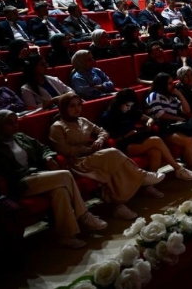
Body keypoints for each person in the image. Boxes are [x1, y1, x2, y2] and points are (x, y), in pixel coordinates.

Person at [0, 110, 108, 248]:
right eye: (9, 123)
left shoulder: (21, 137)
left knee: (60, 191)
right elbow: (6, 172)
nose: (15, 126)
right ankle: (84, 214)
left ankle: (66, 235)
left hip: (37, 177)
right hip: (19, 183)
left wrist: (47, 157)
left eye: (15, 122)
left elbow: (43, 148)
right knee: (65, 175)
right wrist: (32, 170)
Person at [50, 93, 165, 221]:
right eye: (72, 106)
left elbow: (103, 131)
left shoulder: (83, 121)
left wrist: (99, 140)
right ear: (64, 108)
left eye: (78, 105)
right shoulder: (57, 127)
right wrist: (86, 149)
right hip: (76, 161)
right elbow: (62, 150)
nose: (77, 108)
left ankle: (118, 205)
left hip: (92, 156)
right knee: (112, 153)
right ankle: (141, 176)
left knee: (113, 163)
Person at [100, 89, 192, 199]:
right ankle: (178, 169)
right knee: (155, 140)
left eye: (131, 106)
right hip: (123, 146)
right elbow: (110, 140)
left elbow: (150, 118)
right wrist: (127, 135)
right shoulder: (108, 116)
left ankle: (149, 187)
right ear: (119, 102)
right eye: (127, 105)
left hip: (136, 139)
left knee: (155, 152)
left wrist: (149, 122)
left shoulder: (131, 111)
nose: (128, 108)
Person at [145, 73, 192, 181]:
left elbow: (187, 110)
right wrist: (179, 119)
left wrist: (179, 95)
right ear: (162, 85)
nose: (173, 85)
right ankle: (189, 169)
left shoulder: (172, 96)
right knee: (190, 141)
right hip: (164, 128)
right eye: (169, 83)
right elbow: (160, 115)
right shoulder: (154, 95)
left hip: (178, 126)